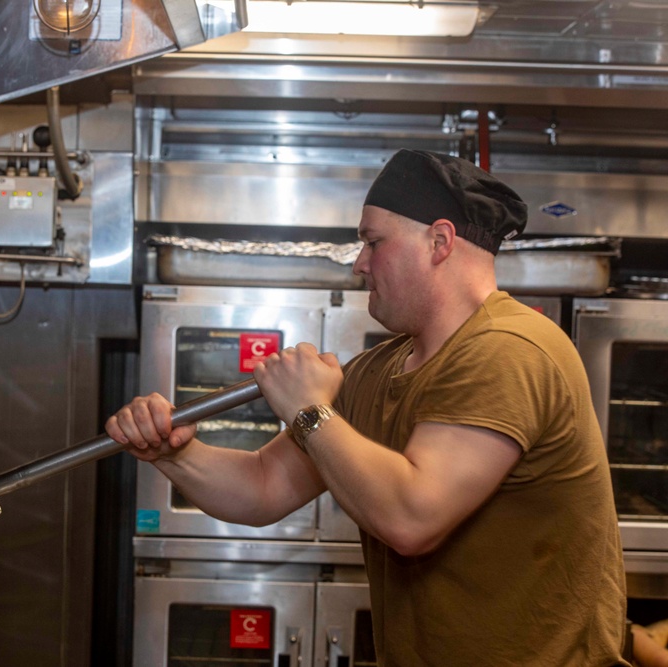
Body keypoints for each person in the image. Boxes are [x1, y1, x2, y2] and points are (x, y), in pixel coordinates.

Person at [107, 149, 630, 666]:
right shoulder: (379, 370)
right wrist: (173, 452)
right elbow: (262, 486)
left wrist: (309, 411)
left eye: (372, 242)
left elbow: (412, 518)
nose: (359, 264)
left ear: (439, 242)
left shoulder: (507, 349)